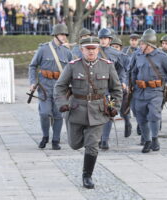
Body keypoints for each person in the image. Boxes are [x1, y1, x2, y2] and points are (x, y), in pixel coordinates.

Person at [54, 36, 122, 189]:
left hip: (98, 111)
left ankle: (87, 176)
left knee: (92, 145)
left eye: (94, 49)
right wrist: (63, 103)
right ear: (81, 50)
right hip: (76, 110)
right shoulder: (72, 66)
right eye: (88, 49)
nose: (91, 52)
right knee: (74, 144)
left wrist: (113, 105)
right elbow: (59, 87)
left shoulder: (108, 66)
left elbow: (116, 90)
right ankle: (84, 142)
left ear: (98, 49)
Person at [130, 29, 167, 153]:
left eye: (142, 44)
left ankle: (154, 139)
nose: (140, 45)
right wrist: (129, 85)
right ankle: (147, 141)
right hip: (140, 91)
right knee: (141, 117)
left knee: (154, 114)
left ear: (149, 45)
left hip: (156, 91)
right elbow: (132, 71)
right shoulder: (137, 55)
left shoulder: (162, 56)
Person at [28, 24, 72, 150]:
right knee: (44, 113)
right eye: (62, 34)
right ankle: (45, 136)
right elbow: (32, 66)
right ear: (55, 35)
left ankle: (56, 140)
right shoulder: (43, 49)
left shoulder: (67, 52)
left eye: (65, 35)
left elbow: (70, 70)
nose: (64, 37)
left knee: (58, 115)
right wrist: (32, 82)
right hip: (44, 87)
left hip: (60, 88)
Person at [97, 28, 127, 149]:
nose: (103, 41)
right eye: (101, 38)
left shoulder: (116, 53)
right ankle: (98, 137)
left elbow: (122, 69)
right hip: (97, 88)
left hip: (110, 88)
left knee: (109, 112)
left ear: (109, 40)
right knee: (97, 114)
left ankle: (105, 140)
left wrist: (121, 81)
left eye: (105, 38)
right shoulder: (94, 51)